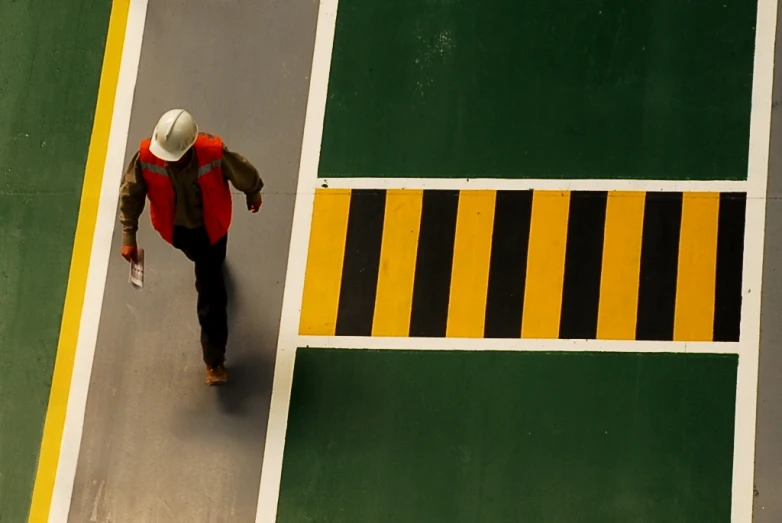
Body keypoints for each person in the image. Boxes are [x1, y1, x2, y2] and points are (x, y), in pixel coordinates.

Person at [118, 109, 263, 386]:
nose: (167, 162)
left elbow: (241, 171)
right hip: (176, 232)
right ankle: (211, 266)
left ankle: (214, 360)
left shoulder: (212, 153)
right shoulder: (148, 157)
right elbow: (131, 193)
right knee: (205, 264)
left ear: (189, 148)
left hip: (212, 230)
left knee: (211, 293)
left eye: (174, 158)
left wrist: (253, 191)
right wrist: (129, 235)